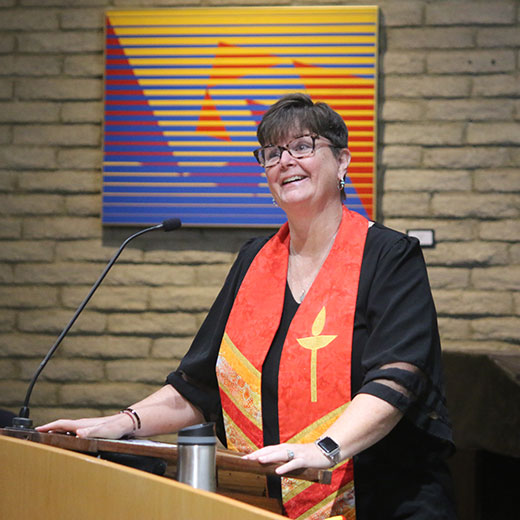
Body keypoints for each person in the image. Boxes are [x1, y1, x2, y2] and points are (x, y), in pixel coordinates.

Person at [38, 94, 456, 519]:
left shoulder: (388, 256)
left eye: (303, 146)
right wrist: (120, 423)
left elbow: (398, 378)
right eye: (272, 153)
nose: (286, 161)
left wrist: (325, 449)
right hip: (266, 502)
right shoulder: (253, 261)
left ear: (343, 161)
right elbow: (198, 388)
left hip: (386, 501)